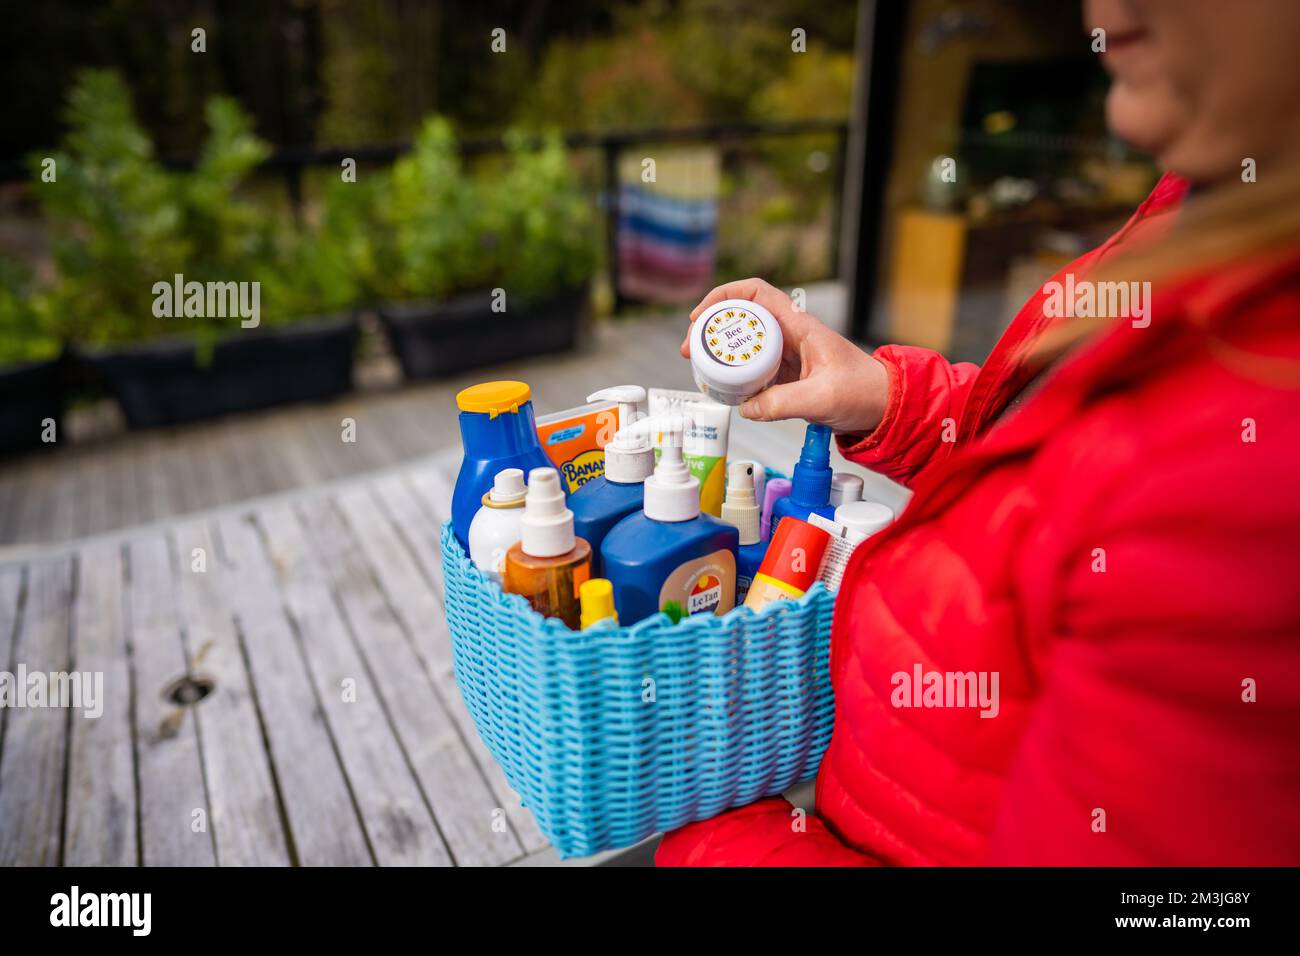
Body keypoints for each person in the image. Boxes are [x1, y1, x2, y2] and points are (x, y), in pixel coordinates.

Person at [657, 0, 1300, 865]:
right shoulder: (1207, 200)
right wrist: (887, 398)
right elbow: (1047, 460)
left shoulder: (1252, 479)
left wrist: (717, 835)